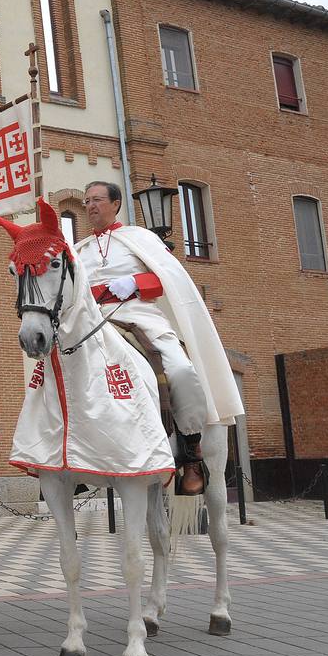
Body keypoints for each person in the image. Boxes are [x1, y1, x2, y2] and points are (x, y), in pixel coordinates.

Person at [74, 181, 244, 494]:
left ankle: (192, 453)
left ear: (116, 204)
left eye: (97, 199)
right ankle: (74, 458)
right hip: (95, 323)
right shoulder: (78, 250)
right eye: (86, 201)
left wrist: (135, 282)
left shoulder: (141, 238)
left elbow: (167, 277)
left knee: (181, 369)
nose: (90, 206)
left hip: (140, 317)